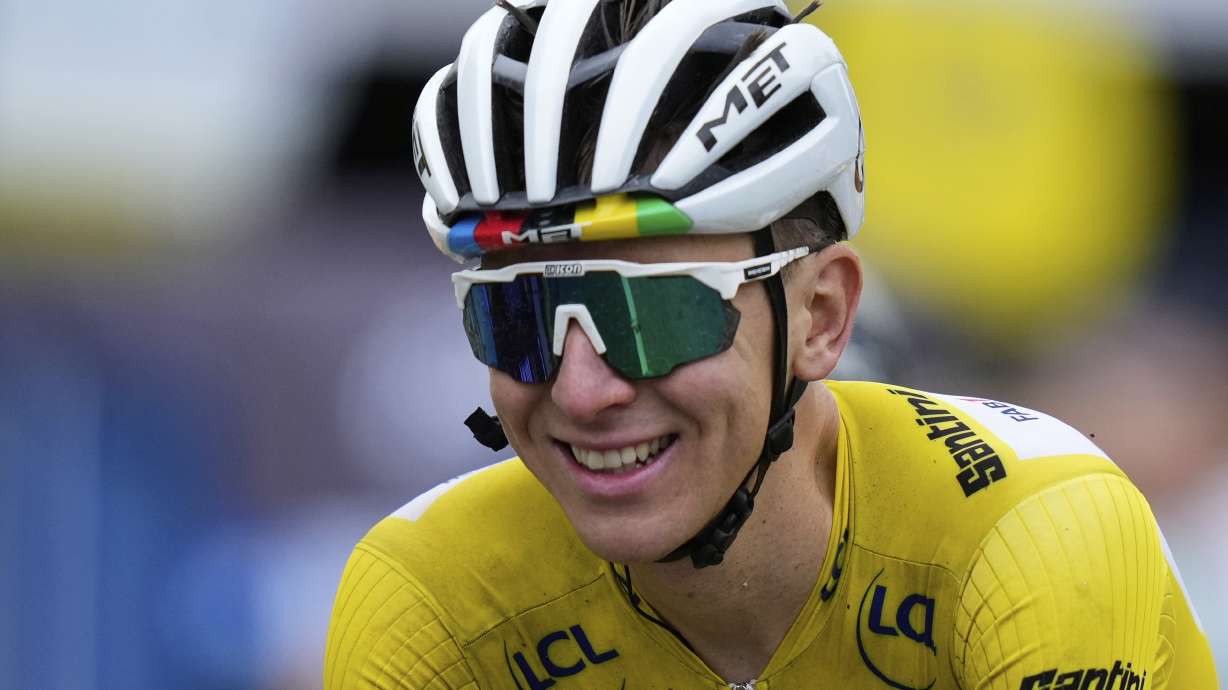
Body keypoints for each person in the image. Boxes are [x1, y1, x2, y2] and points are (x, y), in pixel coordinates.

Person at [324, 1, 1219, 688]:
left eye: (658, 316)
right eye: (514, 320)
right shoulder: (432, 598)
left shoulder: (1036, 537)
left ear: (824, 317)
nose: (584, 390)